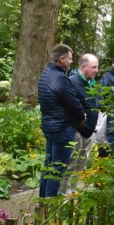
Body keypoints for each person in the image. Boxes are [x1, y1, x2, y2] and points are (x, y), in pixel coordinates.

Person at [37, 44, 86, 198]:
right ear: (62, 59)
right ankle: (49, 206)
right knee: (57, 168)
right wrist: (82, 116)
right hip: (62, 128)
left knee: (49, 166)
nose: (72, 62)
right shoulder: (60, 78)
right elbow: (73, 103)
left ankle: (42, 203)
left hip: (50, 126)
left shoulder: (45, 75)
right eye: (70, 59)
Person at [66, 53, 100, 187]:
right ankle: (63, 199)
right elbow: (69, 107)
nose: (96, 70)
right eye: (94, 67)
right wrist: (79, 125)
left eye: (97, 67)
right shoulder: (72, 82)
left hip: (89, 133)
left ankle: (72, 195)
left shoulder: (91, 83)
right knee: (70, 166)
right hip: (77, 132)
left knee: (79, 168)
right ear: (83, 67)